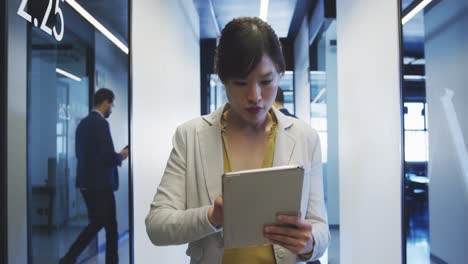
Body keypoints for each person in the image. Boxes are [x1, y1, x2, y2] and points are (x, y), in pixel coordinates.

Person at [146, 17, 329, 264]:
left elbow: (319, 226)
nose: (255, 96)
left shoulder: (304, 137)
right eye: (241, 83)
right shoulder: (190, 137)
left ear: (280, 73)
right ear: (222, 78)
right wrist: (212, 217)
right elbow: (157, 225)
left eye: (266, 82)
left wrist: (308, 244)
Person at [60, 88, 129, 264]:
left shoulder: (82, 124)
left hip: (86, 183)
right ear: (105, 102)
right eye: (111, 104)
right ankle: (72, 258)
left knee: (97, 223)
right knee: (110, 227)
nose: (111, 109)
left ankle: (69, 258)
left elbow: (82, 153)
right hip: (101, 186)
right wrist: (121, 155)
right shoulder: (101, 124)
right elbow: (106, 156)